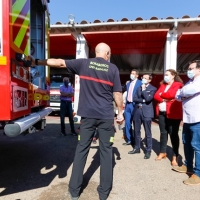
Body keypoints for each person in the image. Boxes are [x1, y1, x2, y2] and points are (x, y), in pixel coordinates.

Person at [30, 42, 124, 200]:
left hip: (87, 116)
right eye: (110, 54)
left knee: (81, 150)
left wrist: (37, 62)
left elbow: (59, 62)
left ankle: (74, 191)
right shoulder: (113, 68)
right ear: (107, 54)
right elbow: (118, 94)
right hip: (106, 117)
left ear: (96, 52)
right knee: (107, 153)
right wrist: (120, 113)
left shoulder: (83, 63)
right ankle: (103, 193)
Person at [173, 60, 200, 185]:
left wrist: (183, 93)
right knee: (187, 143)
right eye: (189, 68)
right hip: (187, 119)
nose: (189, 70)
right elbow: (177, 96)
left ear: (199, 69)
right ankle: (188, 166)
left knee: (197, 146)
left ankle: (198, 173)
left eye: (191, 68)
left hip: (197, 119)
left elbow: (185, 92)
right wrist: (183, 93)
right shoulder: (190, 82)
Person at [154, 69, 183, 166]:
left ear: (173, 75)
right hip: (162, 112)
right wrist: (165, 98)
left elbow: (172, 94)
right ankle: (163, 152)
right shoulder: (163, 85)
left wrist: (162, 95)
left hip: (172, 113)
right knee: (163, 133)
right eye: (164, 74)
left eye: (167, 75)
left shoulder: (177, 85)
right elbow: (156, 95)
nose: (165, 76)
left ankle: (175, 155)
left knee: (173, 134)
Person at [128, 74, 157, 159]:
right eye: (142, 78)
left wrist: (144, 90)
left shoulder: (153, 88)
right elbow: (134, 98)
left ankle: (148, 150)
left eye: (145, 78)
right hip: (137, 111)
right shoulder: (138, 88)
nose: (143, 79)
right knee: (136, 131)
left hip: (147, 112)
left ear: (149, 80)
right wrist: (144, 99)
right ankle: (137, 148)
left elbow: (149, 99)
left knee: (148, 132)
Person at [123, 69, 142, 145]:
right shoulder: (128, 84)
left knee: (136, 123)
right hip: (128, 105)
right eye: (131, 73)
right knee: (127, 123)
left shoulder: (140, 83)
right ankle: (129, 139)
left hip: (135, 105)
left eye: (134, 73)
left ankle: (136, 140)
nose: (132, 75)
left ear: (137, 75)